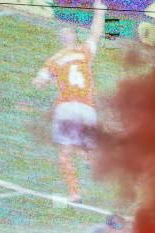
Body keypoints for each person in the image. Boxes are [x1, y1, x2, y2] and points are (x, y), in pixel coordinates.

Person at [32, 1, 107, 203]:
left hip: (67, 108)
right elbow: (96, 33)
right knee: (84, 146)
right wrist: (100, 11)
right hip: (86, 108)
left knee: (65, 152)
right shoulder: (84, 52)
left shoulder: (55, 60)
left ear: (65, 38)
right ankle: (89, 160)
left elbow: (40, 80)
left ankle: (74, 193)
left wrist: (39, 81)